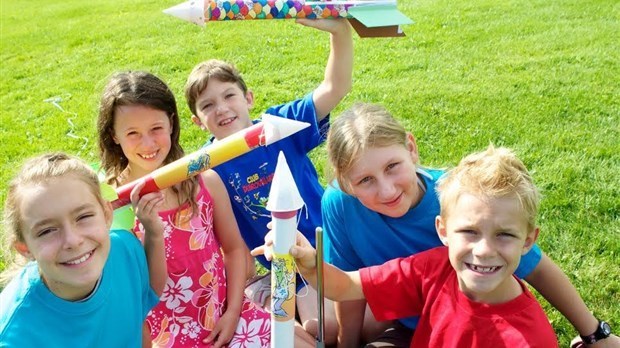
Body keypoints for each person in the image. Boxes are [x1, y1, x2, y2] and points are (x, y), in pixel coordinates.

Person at [321, 103, 618, 347]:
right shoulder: (339, 203)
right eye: (365, 180)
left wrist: (594, 333)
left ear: (411, 148)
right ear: (345, 183)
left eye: (392, 167)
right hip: (408, 318)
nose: (387, 190)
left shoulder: (461, 201)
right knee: (331, 321)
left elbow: (537, 267)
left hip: (471, 326)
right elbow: (348, 281)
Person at [254, 145, 562, 347]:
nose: (483, 249)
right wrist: (309, 261)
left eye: (504, 235)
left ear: (528, 241)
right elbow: (347, 285)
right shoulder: (432, 267)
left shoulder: (529, 339)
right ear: (442, 230)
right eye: (469, 231)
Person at [184, 18, 353, 346]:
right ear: (197, 120)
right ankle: (268, 299)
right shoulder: (207, 168)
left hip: (328, 248)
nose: (221, 109)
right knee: (320, 329)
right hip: (284, 269)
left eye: (229, 96)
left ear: (248, 98)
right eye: (207, 105)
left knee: (331, 326)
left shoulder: (279, 126)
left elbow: (336, 87)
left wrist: (339, 32)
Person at [97, 71, 270, 347]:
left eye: (156, 128)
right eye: (132, 133)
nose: (148, 144)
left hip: (226, 317)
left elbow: (235, 250)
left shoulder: (205, 182)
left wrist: (233, 312)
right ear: (113, 135)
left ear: (171, 123)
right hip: (161, 338)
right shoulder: (107, 206)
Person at [0, 153, 167, 346]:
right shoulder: (14, 337)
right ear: (24, 248)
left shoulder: (124, 250)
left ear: (106, 214)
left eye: (83, 217)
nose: (72, 240)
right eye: (47, 231)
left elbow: (138, 321)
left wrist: (154, 234)